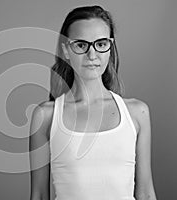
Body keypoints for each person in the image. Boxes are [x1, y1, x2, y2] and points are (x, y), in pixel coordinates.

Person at [29, 5, 157, 200]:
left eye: (101, 44)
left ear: (110, 47)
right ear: (66, 50)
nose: (92, 55)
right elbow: (38, 195)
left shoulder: (137, 113)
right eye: (81, 45)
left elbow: (146, 194)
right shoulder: (46, 116)